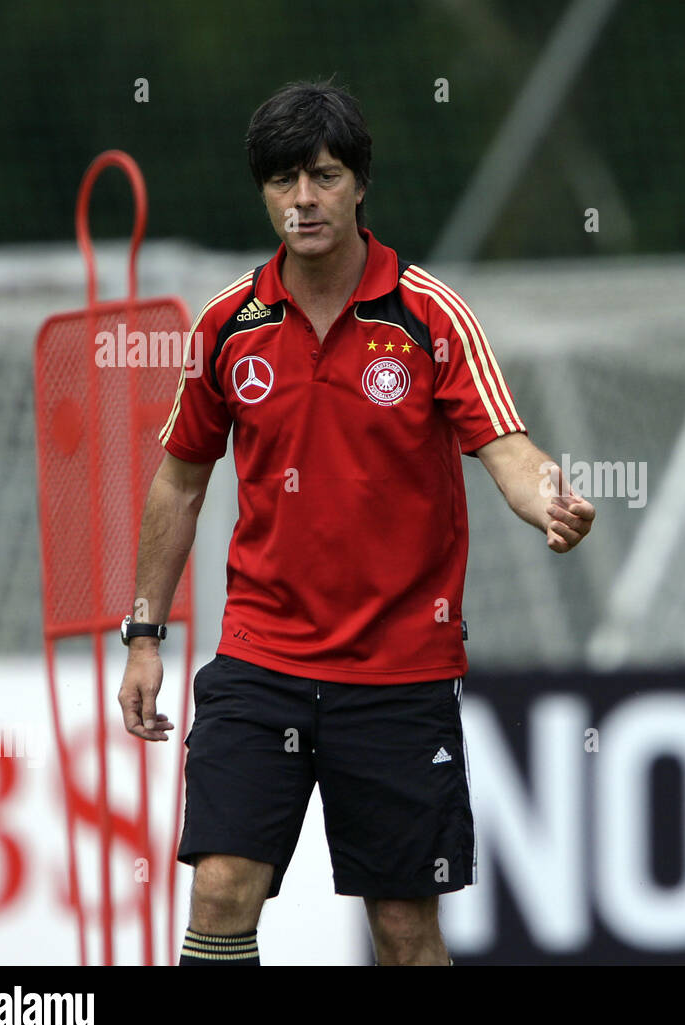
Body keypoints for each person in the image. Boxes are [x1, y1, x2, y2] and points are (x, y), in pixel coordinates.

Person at [116, 80, 595, 966]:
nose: (303, 200)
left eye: (324, 177)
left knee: (404, 926)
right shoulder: (228, 324)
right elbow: (178, 484)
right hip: (262, 658)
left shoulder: (429, 316)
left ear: (360, 183)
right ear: (264, 192)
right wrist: (144, 633)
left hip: (400, 670)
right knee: (221, 885)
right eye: (283, 181)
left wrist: (550, 502)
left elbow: (506, 446)